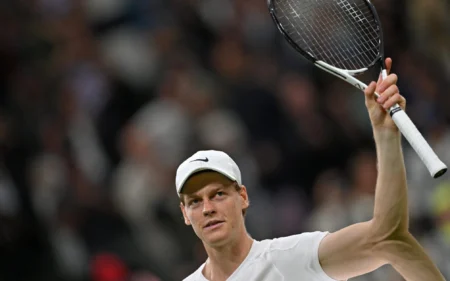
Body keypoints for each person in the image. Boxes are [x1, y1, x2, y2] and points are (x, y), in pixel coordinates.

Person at [175, 58, 446, 281]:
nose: (207, 208)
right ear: (185, 214)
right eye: (195, 201)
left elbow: (386, 237)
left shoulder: (287, 258)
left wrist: (386, 135)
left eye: (218, 194)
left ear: (243, 197)